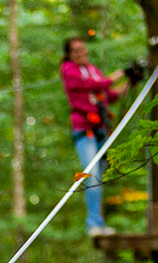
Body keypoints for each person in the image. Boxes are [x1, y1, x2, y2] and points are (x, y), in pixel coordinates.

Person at [61, 37, 129, 237]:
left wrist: (128, 82)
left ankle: (97, 222)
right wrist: (119, 74)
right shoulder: (69, 70)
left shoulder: (92, 69)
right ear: (69, 54)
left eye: (82, 49)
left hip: (100, 129)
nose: (80, 53)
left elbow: (109, 94)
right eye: (75, 50)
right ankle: (93, 224)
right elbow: (94, 85)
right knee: (90, 175)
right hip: (84, 129)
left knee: (98, 177)